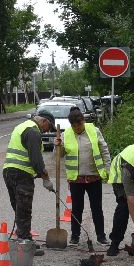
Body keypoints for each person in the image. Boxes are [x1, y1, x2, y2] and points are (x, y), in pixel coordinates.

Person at [2, 107, 58, 253]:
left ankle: (23, 237)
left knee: (19, 207)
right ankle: (25, 244)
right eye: (48, 127)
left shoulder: (22, 126)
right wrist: (46, 179)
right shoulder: (34, 131)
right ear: (43, 121)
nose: (47, 131)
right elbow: (36, 160)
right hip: (21, 174)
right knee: (24, 208)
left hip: (9, 171)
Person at [54, 105, 110, 247]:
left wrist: (108, 169)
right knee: (77, 208)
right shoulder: (66, 134)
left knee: (96, 207)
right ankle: (75, 237)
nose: (77, 128)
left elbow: (104, 150)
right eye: (74, 126)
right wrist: (57, 146)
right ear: (71, 125)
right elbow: (59, 156)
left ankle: (101, 236)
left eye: (79, 125)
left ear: (83, 122)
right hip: (76, 179)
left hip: (94, 177)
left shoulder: (94, 131)